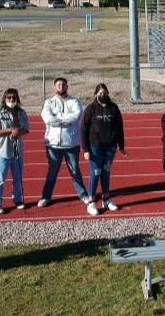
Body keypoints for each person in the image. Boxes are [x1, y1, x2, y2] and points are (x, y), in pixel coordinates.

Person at [38, 77, 90, 209]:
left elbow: (77, 116)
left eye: (63, 85)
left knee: (75, 171)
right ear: (54, 88)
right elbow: (48, 119)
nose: (61, 87)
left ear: (67, 87)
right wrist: (66, 120)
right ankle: (46, 197)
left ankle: (83, 195)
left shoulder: (75, 101)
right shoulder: (48, 102)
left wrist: (58, 116)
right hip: (53, 145)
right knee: (52, 172)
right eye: (58, 85)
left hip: (71, 144)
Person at [81, 83, 127, 215]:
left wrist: (121, 146)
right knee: (96, 172)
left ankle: (106, 199)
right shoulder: (90, 109)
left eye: (104, 93)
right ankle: (91, 202)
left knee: (106, 172)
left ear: (108, 94)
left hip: (110, 147)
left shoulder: (114, 108)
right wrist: (86, 150)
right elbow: (83, 130)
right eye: (100, 93)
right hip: (95, 147)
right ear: (95, 94)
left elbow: (119, 127)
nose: (102, 96)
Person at [0, 88, 30, 214]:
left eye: (14, 98)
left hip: (17, 151)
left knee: (18, 178)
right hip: (3, 151)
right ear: (5, 99)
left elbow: (26, 129)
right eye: (9, 98)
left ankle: (17, 200)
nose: (11, 100)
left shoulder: (21, 113)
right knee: (0, 179)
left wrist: (18, 132)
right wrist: (10, 130)